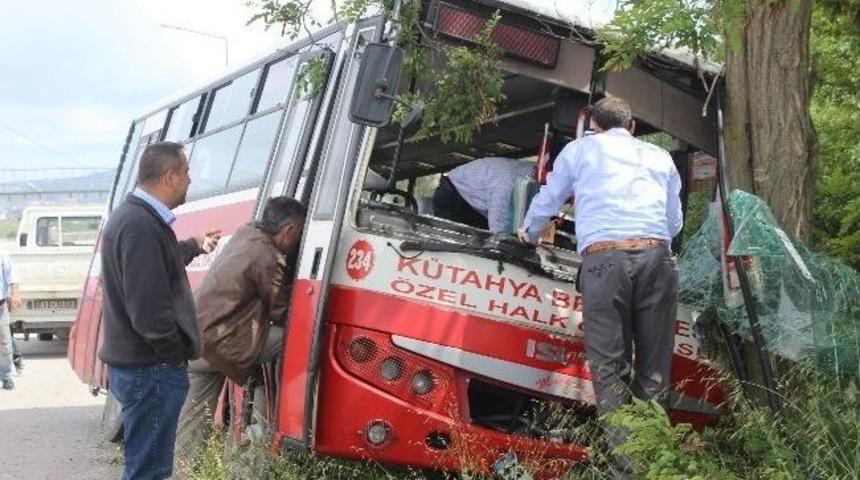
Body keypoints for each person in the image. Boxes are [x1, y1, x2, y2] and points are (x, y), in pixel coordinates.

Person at [519, 97, 682, 473]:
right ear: (633, 127)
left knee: (610, 366)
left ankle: (628, 466)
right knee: (655, 367)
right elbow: (673, 223)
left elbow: (549, 199)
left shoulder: (578, 151)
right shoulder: (661, 158)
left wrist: (527, 233)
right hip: (657, 260)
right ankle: (653, 461)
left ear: (593, 126)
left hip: (604, 263)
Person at [98, 141, 221, 480]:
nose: (190, 181)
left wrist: (194, 245)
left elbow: (155, 267)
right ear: (170, 176)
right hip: (151, 368)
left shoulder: (138, 218)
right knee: (149, 471)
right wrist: (172, 355)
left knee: (146, 467)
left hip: (143, 366)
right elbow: (149, 313)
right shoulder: (140, 225)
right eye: (186, 174)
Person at [174, 196, 306, 473]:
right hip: (221, 343)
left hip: (196, 338)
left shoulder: (247, 234)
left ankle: (181, 473)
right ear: (289, 230)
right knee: (300, 337)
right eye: (300, 234)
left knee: (193, 423)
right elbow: (281, 311)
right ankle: (280, 411)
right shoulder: (267, 256)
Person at [432, 156, 534, 233]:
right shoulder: (507, 182)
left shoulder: (525, 172)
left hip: (470, 202)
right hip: (453, 198)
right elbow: (498, 228)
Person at [0, 246, 22, 390]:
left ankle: (6, 376)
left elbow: (11, 274)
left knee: (4, 343)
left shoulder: (1, 252)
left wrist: (15, 294)